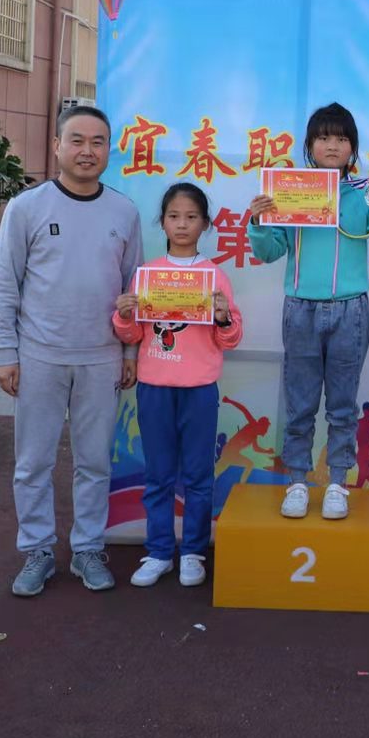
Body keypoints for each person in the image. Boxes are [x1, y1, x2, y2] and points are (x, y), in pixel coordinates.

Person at [0, 106, 143, 597]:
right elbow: (5, 285)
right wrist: (4, 351)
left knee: (94, 462)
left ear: (109, 150)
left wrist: (130, 353)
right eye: (76, 140)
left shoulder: (124, 212)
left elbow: (133, 289)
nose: (87, 151)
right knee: (33, 463)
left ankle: (87, 549)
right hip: (39, 355)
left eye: (98, 142)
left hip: (102, 357)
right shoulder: (27, 208)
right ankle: (37, 550)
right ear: (56, 146)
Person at [246, 102, 369, 519]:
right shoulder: (291, 191)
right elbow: (269, 252)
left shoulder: (364, 193)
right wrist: (259, 222)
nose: (332, 145)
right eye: (323, 138)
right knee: (300, 404)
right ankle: (297, 481)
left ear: (353, 147)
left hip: (350, 311)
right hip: (300, 309)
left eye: (341, 138)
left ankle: (337, 483)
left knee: (342, 405)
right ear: (309, 145)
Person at [112, 184, 242, 588]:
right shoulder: (147, 274)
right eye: (174, 216)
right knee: (159, 474)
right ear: (163, 222)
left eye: (191, 217)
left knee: (199, 476)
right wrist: (124, 315)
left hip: (199, 390)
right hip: (155, 387)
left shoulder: (215, 276)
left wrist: (222, 317)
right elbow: (133, 335)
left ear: (205, 224)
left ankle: (193, 552)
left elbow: (230, 338)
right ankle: (158, 552)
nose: (182, 224)